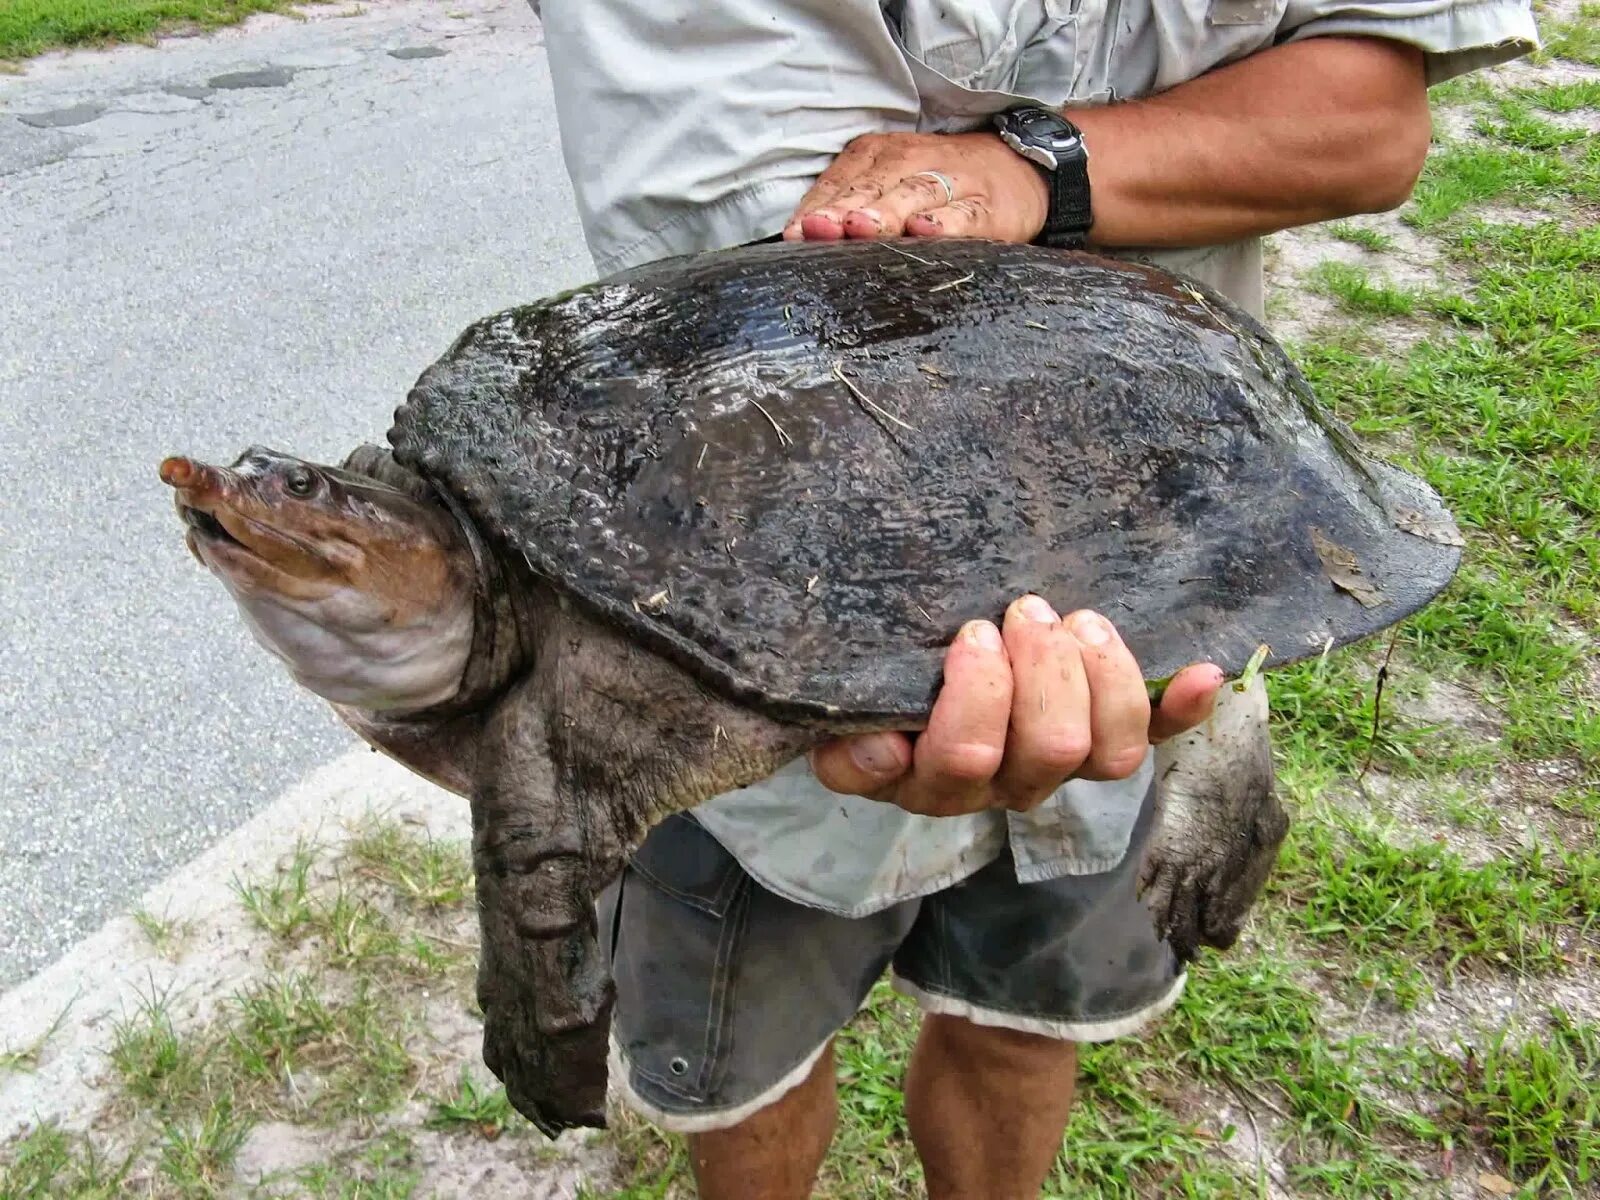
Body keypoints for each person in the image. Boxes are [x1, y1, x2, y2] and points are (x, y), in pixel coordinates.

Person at [524, 3, 1537, 1197]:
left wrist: (1026, 170)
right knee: (750, 1065)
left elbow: (1365, 125)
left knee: (1022, 1027)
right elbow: (776, 273)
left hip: (1151, 614)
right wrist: (1149, 169)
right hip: (749, 630)